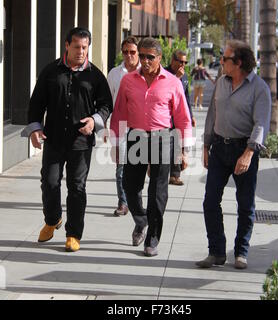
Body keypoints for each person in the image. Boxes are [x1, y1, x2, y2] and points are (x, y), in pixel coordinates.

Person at [21, 27, 113, 252]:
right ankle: (52, 220)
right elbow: (36, 103)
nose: (81, 51)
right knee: (50, 183)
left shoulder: (95, 75)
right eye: (77, 47)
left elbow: (106, 105)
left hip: (80, 143)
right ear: (66, 46)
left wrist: (94, 121)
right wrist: (34, 129)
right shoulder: (51, 71)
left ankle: (73, 234)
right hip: (53, 139)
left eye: (85, 47)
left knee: (77, 187)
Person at [110, 38, 193, 257]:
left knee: (157, 191)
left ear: (159, 59)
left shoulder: (173, 82)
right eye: (142, 56)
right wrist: (116, 143)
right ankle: (141, 219)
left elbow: (183, 118)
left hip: (163, 138)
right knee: (130, 185)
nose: (144, 61)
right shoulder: (128, 81)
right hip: (136, 137)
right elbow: (119, 113)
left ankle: (152, 238)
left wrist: (184, 150)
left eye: (150, 57)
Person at [197, 40, 271, 269]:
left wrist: (248, 153)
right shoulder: (220, 82)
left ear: (237, 62)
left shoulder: (260, 88)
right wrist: (206, 146)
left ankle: (241, 252)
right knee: (210, 201)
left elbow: (261, 124)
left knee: (245, 204)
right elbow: (212, 115)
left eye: (224, 59)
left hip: (243, 149)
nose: (220, 62)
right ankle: (217, 252)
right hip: (219, 147)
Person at [107, 36, 140, 216]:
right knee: (121, 167)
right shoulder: (114, 74)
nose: (129, 55)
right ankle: (123, 202)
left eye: (132, 52)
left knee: (137, 167)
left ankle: (135, 200)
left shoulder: (146, 72)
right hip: (119, 125)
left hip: (141, 127)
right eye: (125, 52)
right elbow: (107, 103)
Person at [165, 50, 196, 186]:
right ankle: (157, 171)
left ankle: (175, 175)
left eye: (185, 62)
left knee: (178, 145)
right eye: (180, 61)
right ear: (173, 60)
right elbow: (163, 91)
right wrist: (176, 77)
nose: (183, 64)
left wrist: (191, 115)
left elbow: (186, 97)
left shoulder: (184, 76)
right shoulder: (164, 73)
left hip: (179, 116)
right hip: (165, 116)